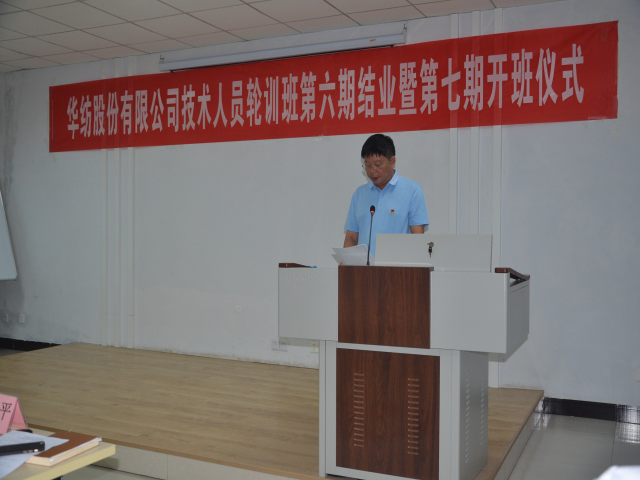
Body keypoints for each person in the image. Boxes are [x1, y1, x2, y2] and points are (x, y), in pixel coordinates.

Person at [343, 134, 428, 257]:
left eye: (378, 165)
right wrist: (345, 264)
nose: (372, 171)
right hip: (364, 268)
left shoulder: (412, 191)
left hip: (397, 266)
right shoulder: (359, 194)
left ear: (392, 161)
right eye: (368, 165)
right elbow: (351, 237)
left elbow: (417, 238)